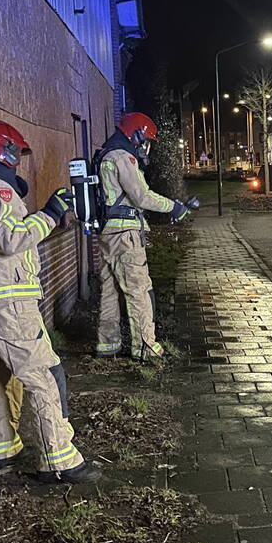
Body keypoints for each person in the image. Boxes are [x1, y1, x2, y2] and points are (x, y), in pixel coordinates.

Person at [0, 118, 100, 484]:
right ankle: (60, 459)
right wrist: (49, 212)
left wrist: (50, 226)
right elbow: (10, 239)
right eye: (16, 152)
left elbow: (4, 248)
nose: (18, 160)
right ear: (4, 150)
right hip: (9, 303)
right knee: (43, 376)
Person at [94, 112, 191, 362]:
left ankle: (108, 344)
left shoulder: (104, 154)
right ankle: (146, 347)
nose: (145, 145)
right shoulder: (123, 157)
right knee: (138, 290)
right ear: (135, 134)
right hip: (126, 236)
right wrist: (175, 207)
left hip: (107, 233)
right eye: (145, 139)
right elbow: (142, 196)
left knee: (109, 289)